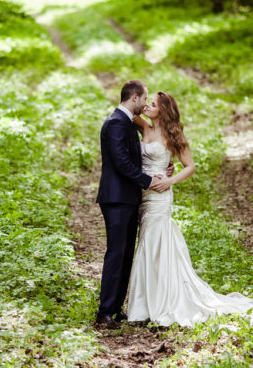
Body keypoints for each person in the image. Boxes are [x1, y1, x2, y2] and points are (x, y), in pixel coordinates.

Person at [127, 91, 253, 327]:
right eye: (148, 102)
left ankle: (161, 301)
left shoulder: (172, 134)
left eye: (152, 104)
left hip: (160, 197)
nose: (147, 106)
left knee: (155, 243)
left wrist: (169, 180)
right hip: (144, 195)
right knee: (146, 240)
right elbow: (125, 108)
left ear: (163, 111)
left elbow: (190, 166)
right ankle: (145, 301)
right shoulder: (144, 127)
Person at [94, 80, 171, 329]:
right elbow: (121, 162)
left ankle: (115, 308)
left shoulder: (127, 122)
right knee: (116, 254)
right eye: (145, 98)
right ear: (135, 97)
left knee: (126, 254)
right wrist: (149, 181)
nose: (146, 103)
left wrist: (163, 168)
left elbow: (140, 155)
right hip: (116, 198)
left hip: (129, 199)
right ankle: (104, 312)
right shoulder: (115, 122)